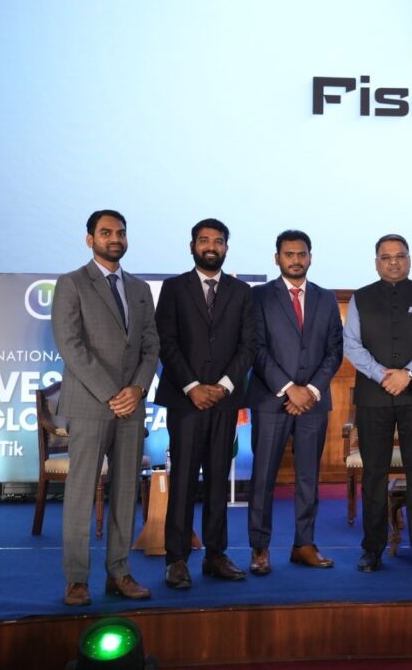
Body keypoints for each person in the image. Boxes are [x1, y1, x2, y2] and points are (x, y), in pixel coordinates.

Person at [51, 209, 159, 606]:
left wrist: (138, 389)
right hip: (92, 404)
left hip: (132, 406)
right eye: (106, 232)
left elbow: (151, 344)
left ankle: (119, 572)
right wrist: (113, 392)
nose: (115, 238)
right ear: (90, 239)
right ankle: (77, 580)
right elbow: (70, 344)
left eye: (121, 232)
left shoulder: (140, 288)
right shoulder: (72, 283)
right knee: (81, 494)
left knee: (126, 492)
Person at [155, 218, 257, 588]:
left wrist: (225, 386)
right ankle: (177, 559)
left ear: (226, 247)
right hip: (186, 402)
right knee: (183, 480)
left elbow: (249, 345)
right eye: (204, 240)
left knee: (217, 480)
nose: (211, 246)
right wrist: (193, 386)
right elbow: (166, 341)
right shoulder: (174, 288)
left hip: (225, 402)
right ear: (192, 246)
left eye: (218, 241)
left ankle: (216, 555)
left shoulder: (242, 292)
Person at [342, 234, 412, 572]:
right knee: (374, 474)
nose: (393, 262)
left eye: (400, 256)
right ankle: (372, 549)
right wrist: (382, 375)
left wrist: (408, 373)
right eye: (386, 257)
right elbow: (351, 344)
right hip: (373, 396)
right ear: (376, 263)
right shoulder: (360, 297)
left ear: (409, 259)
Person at [246, 230, 343, 575]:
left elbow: (335, 350)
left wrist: (311, 390)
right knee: (263, 477)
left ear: (310, 257)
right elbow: (255, 348)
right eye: (289, 254)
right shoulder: (258, 296)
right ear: (277, 258)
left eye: (302, 254)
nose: (296, 260)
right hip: (271, 400)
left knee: (308, 478)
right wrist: (289, 388)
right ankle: (260, 548)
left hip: (313, 403)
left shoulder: (326, 298)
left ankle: (304, 544)